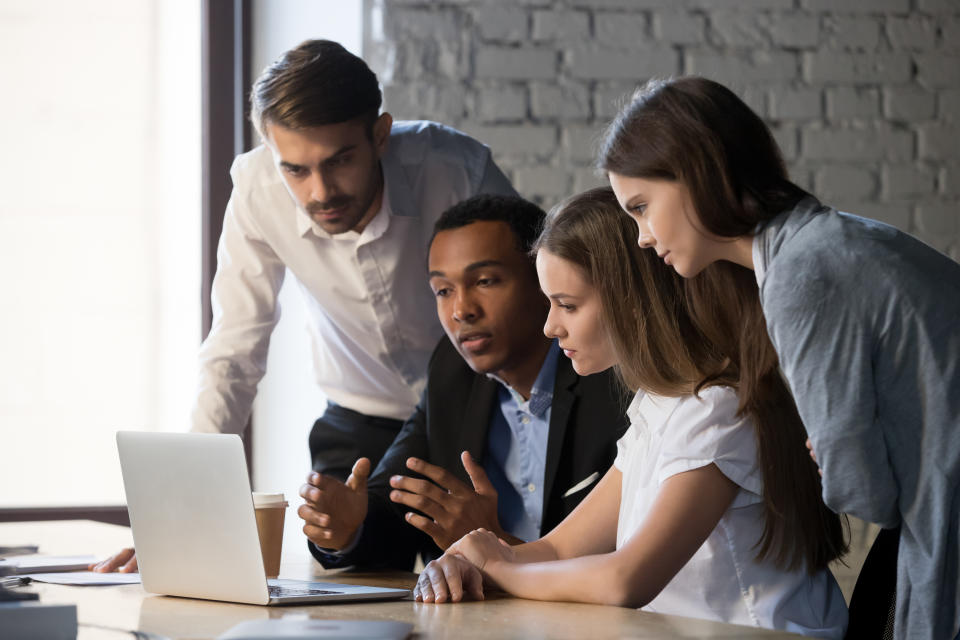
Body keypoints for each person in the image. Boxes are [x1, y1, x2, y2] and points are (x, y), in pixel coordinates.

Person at [90, 39, 516, 574]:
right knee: (343, 560)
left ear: (380, 135)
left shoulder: (457, 169)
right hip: (359, 417)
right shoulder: (256, 189)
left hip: (472, 406)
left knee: (479, 567)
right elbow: (234, 350)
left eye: (339, 161)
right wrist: (179, 518)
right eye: (295, 169)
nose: (320, 191)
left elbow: (530, 297)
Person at [600, 76, 960, 640]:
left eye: (642, 207)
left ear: (698, 173)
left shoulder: (799, 274)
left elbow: (863, 493)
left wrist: (844, 458)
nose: (641, 237)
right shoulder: (832, 241)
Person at [414, 188, 848, 638]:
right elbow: (561, 549)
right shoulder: (658, 405)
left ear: (632, 299)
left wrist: (499, 568)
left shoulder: (717, 409)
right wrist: (469, 558)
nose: (549, 326)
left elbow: (627, 580)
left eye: (567, 305)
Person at [298, 194, 628, 569]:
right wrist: (346, 527)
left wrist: (495, 546)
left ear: (543, 279)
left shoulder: (615, 378)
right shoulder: (453, 372)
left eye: (485, 281)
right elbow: (397, 509)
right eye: (443, 290)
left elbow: (628, 559)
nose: (461, 310)